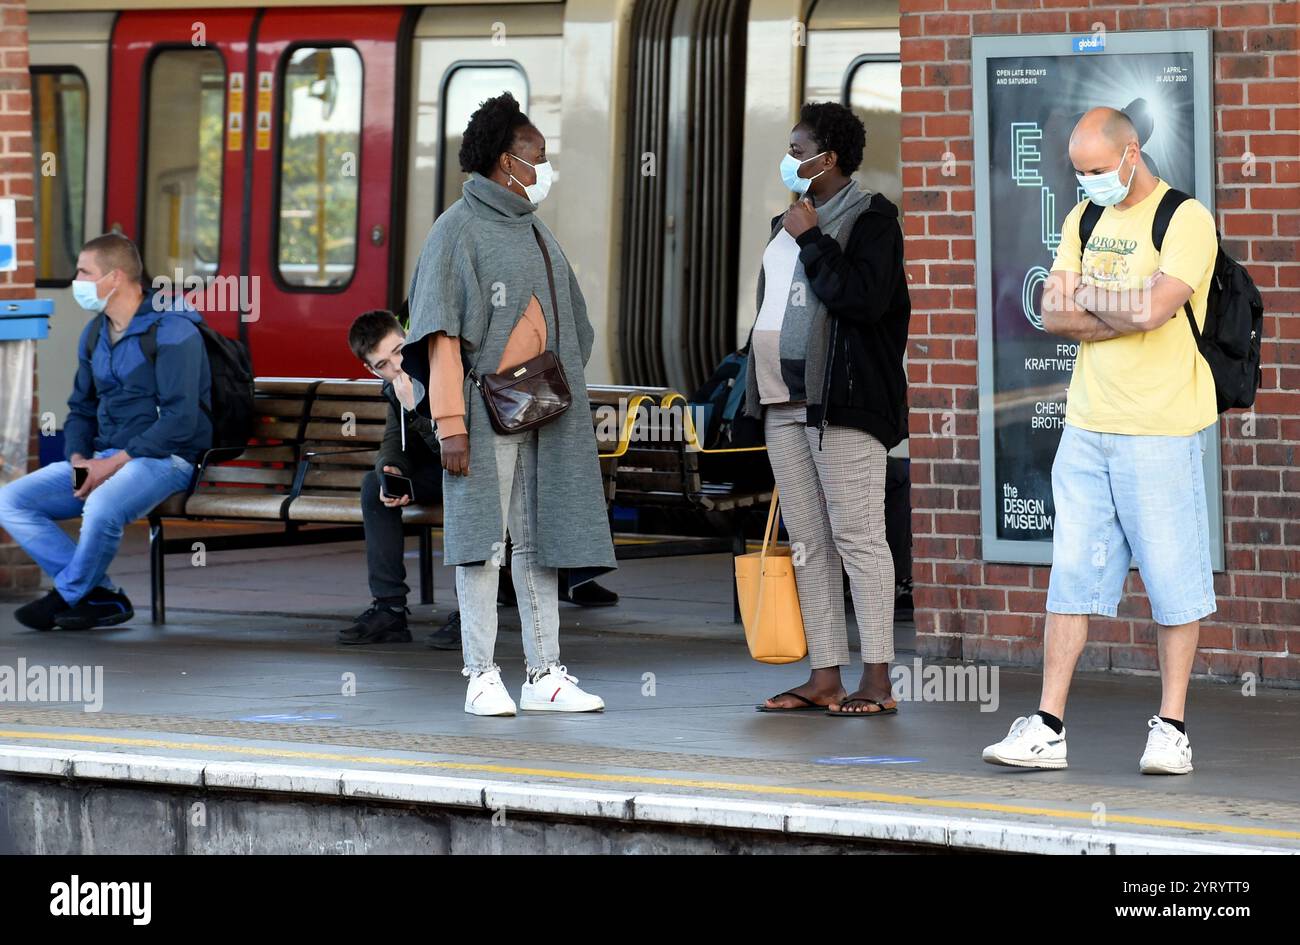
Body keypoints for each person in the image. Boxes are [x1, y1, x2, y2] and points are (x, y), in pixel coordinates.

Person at [982, 107, 1219, 775]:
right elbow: (1055, 312)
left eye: (1095, 169)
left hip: (1161, 429)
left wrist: (1098, 297)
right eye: (1077, 171)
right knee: (1072, 581)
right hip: (1086, 426)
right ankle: (1048, 727)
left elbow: (1157, 307)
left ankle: (1172, 728)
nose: (1087, 181)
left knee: (1173, 583)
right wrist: (1125, 306)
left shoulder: (1185, 219)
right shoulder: (1083, 219)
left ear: (1130, 154)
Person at [403, 92, 615, 716]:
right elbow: (439, 335)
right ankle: (480, 675)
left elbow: (571, 319)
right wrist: (449, 425)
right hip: (478, 413)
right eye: (538, 157)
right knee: (482, 543)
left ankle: (545, 673)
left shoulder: (534, 226)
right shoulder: (455, 230)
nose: (545, 169)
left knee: (537, 538)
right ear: (506, 160)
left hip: (541, 407)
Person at [742, 102, 911, 717]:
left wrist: (810, 238)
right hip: (783, 404)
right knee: (810, 544)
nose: (789, 158)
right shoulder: (783, 222)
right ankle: (823, 675)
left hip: (844, 404)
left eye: (798, 147)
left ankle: (878, 679)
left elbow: (861, 300)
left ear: (828, 157)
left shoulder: (871, 220)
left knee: (860, 539)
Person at [0, 234, 211, 630]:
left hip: (166, 459)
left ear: (114, 277)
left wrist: (113, 463)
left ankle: (69, 593)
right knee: (10, 501)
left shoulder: (174, 330)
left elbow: (181, 420)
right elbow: (81, 408)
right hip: (105, 458)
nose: (75, 281)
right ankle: (102, 595)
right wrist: (80, 459)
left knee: (100, 507)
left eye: (84, 272)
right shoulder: (96, 332)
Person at [340, 309, 443, 644]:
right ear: (370, 369)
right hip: (437, 477)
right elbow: (393, 441)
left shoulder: (441, 371)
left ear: (409, 340)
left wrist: (417, 407)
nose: (396, 366)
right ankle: (390, 610)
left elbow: (459, 449)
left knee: (461, 487)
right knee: (375, 485)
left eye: (399, 351)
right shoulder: (395, 388)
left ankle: (470, 613)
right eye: (382, 364)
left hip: (469, 474)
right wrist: (391, 470)